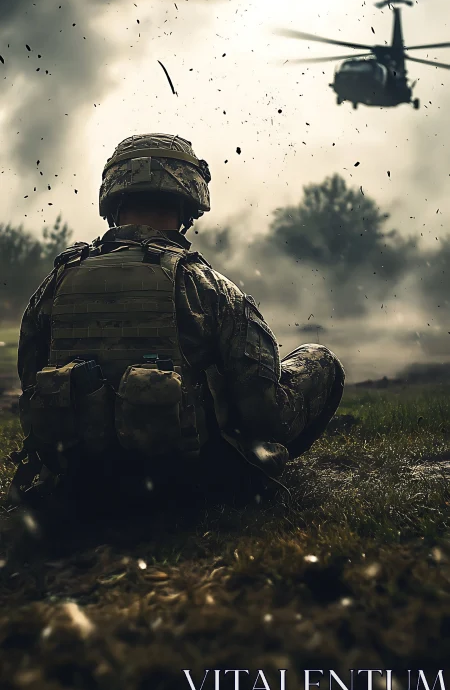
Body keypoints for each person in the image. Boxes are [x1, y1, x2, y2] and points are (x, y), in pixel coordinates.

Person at [8, 133, 345, 507]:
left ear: (113, 198)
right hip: (192, 485)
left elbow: (31, 383)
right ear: (189, 199)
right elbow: (264, 412)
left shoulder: (56, 282)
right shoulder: (209, 287)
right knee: (319, 358)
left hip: (81, 483)